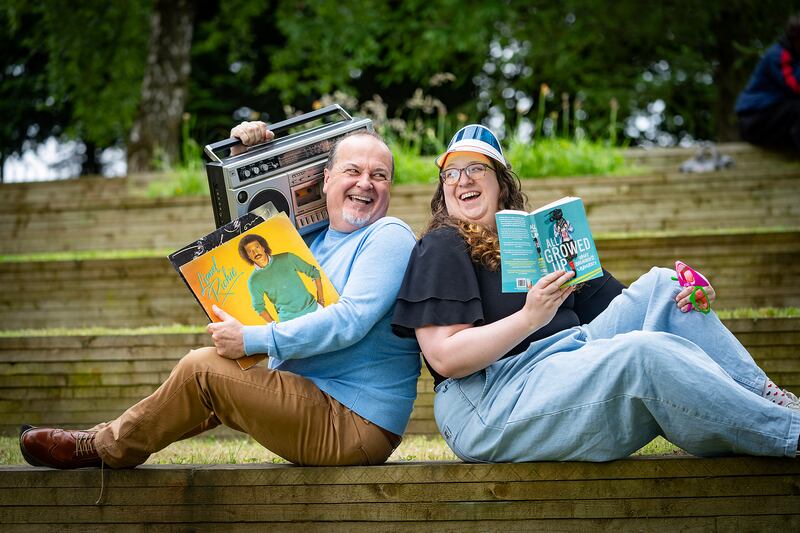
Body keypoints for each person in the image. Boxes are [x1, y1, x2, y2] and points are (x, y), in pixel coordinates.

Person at [392, 123, 800, 463]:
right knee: (643, 352)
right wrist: (529, 317)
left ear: (500, 183)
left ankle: (769, 398)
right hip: (492, 396)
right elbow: (445, 358)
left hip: (569, 359)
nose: (462, 179)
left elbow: (633, 308)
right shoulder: (443, 244)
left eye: (476, 168)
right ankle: (789, 433)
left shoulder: (539, 241)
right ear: (443, 187)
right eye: (451, 172)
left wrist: (688, 299)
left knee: (666, 284)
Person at [20, 126, 421, 469]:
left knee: (202, 369)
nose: (365, 183)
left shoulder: (389, 236)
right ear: (326, 179)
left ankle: (99, 448)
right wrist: (245, 158)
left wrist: (251, 339)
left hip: (354, 421)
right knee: (205, 384)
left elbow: (348, 320)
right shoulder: (306, 241)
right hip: (314, 397)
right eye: (353, 170)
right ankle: (99, 438)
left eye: (379, 175)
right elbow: (240, 236)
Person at [735, 14, 800, 151]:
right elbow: (795, 87)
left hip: (777, 119)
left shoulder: (793, 56)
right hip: (755, 120)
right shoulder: (779, 55)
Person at [238, 234, 324, 323]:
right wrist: (275, 327)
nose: (255, 252)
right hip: (289, 323)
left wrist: (321, 301)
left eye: (257, 247)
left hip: (314, 311)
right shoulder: (253, 281)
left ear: (263, 247)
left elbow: (314, 272)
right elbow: (258, 307)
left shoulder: (287, 258)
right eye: (250, 251)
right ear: (248, 256)